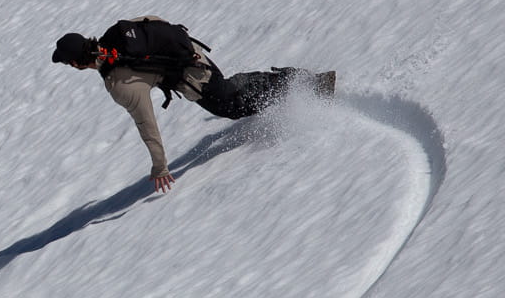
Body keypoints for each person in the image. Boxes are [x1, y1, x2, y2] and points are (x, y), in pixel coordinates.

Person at [51, 17, 333, 192]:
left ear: (76, 63)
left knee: (233, 107)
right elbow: (154, 21)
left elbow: (146, 122)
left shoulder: (118, 82)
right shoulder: (116, 34)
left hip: (192, 73)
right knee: (229, 92)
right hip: (190, 51)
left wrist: (160, 167)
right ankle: (286, 83)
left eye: (67, 62)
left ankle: (303, 84)